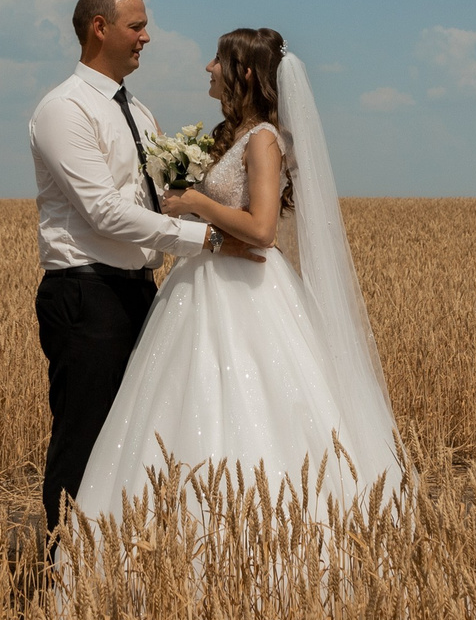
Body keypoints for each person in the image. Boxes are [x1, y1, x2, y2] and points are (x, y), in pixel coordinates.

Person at [66, 26, 404, 537]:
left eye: (217, 60)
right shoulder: (235, 136)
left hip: (244, 291)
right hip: (201, 284)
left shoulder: (264, 140)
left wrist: (197, 203)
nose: (207, 68)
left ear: (244, 72)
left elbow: (263, 230)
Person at [27, 0, 261, 548]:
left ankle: (116, 563)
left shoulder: (138, 110)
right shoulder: (65, 109)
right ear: (99, 28)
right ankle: (62, 571)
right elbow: (104, 213)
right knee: (84, 438)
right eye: (136, 26)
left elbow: (159, 195)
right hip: (86, 295)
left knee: (135, 434)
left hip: (139, 290)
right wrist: (204, 238)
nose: (147, 37)